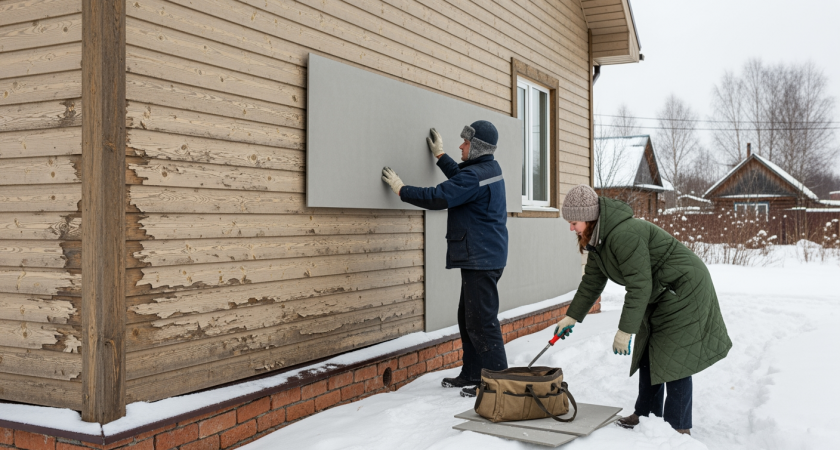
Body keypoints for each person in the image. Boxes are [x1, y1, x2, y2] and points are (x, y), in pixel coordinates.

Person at [553, 185, 732, 435]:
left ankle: (678, 428)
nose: (571, 228)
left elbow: (639, 285)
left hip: (683, 288)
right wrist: (571, 316)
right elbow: (592, 282)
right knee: (649, 350)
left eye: (574, 222)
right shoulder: (597, 241)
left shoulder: (625, 234)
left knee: (675, 357)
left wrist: (624, 331)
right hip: (661, 292)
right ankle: (645, 413)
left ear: (589, 217)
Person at [380, 121, 509, 398]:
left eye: (465, 143)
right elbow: (461, 181)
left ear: (476, 148)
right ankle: (473, 373)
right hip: (485, 256)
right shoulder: (487, 169)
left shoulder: (475, 176)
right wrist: (440, 156)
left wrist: (402, 190)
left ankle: (497, 383)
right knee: (468, 318)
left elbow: (440, 196)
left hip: (481, 259)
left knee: (482, 322)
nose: (460, 146)